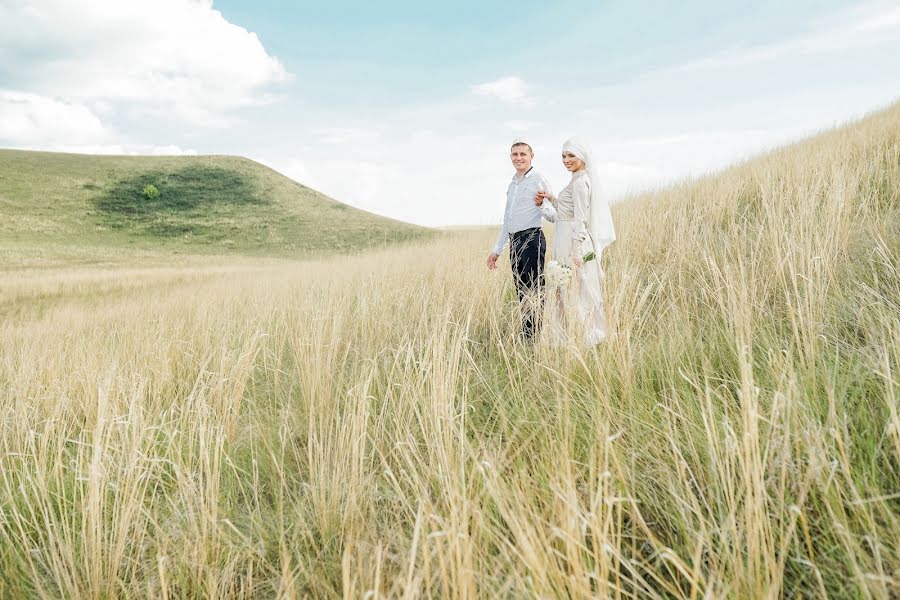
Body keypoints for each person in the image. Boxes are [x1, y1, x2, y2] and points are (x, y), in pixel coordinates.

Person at [534, 137, 616, 347]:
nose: (566, 160)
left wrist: (577, 250)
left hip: (572, 240)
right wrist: (551, 199)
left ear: (582, 157)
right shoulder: (576, 179)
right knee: (568, 287)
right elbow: (566, 210)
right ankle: (571, 336)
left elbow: (581, 218)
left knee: (578, 288)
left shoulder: (580, 182)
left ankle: (587, 336)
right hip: (564, 237)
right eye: (563, 156)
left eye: (571, 155)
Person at [487, 137, 557, 341]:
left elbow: (554, 215)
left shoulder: (539, 179)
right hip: (514, 242)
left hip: (532, 239)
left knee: (535, 290)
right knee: (521, 291)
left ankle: (535, 337)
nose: (519, 158)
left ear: (531, 156)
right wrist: (497, 250)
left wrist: (540, 205)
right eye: (515, 154)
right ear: (511, 157)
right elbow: (507, 220)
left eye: (523, 154)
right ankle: (528, 335)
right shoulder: (512, 184)